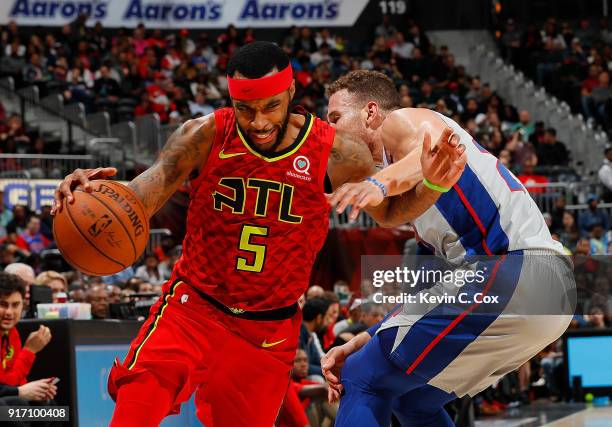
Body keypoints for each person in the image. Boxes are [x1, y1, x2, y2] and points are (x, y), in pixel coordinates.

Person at [51, 42, 464, 427]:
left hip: (268, 328)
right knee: (135, 405)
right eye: (246, 109)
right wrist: (94, 195)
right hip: (194, 306)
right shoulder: (205, 134)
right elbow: (145, 192)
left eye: (271, 106)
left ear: (290, 93)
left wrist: (433, 185)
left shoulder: (335, 152)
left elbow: (391, 212)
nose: (259, 121)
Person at [322, 70, 575, 427]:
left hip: (515, 270)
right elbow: (437, 293)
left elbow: (427, 152)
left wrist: (380, 183)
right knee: (412, 400)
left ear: (370, 112)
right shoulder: (414, 197)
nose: (329, 130)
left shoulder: (402, 121)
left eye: (335, 118)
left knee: (362, 377)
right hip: (547, 297)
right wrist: (367, 336)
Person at [0, 272, 55, 392]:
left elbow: (16, 379)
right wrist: (29, 351)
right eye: (3, 304)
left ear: (23, 306)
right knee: (16, 403)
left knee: (47, 404)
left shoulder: (12, 332)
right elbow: (6, 384)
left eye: (15, 305)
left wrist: (37, 389)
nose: (9, 312)